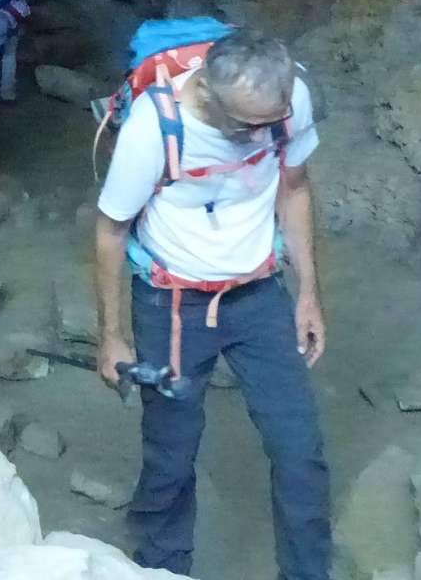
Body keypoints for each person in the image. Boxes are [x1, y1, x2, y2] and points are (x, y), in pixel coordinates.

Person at [89, 31, 329, 579]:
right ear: (205, 93)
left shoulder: (288, 100)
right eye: (248, 126)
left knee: (300, 448)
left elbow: (294, 187)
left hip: (259, 294)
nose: (263, 134)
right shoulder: (154, 128)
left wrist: (309, 292)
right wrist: (113, 336)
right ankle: (162, 568)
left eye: (272, 122)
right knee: (171, 454)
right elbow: (110, 231)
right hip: (173, 305)